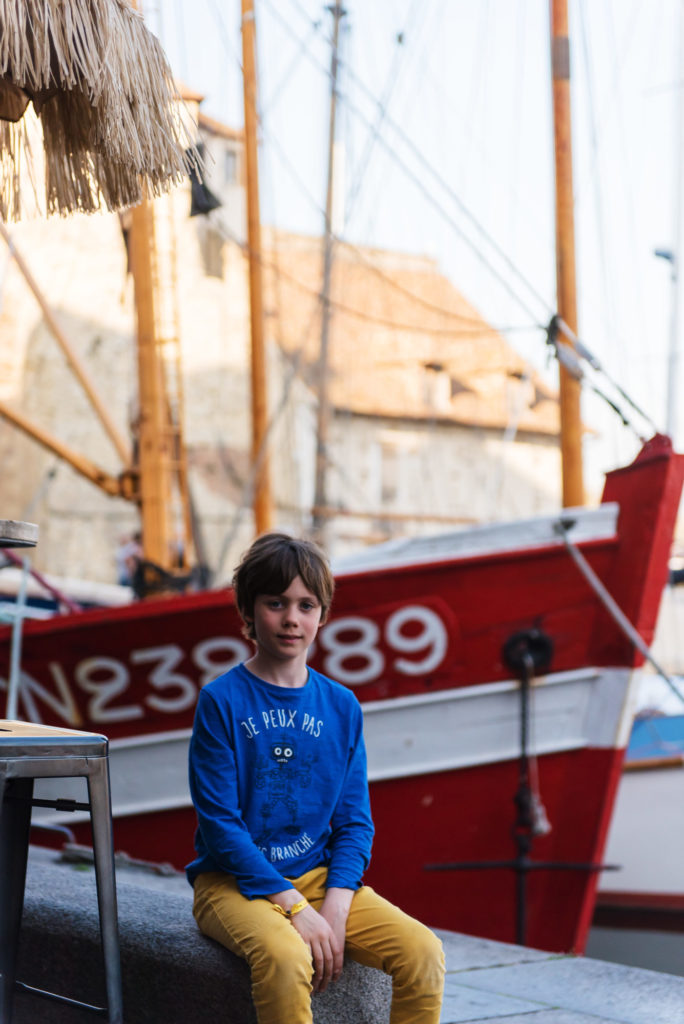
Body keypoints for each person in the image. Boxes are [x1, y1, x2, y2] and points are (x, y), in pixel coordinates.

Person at [186, 532, 445, 1024]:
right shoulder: (221, 702)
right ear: (248, 611)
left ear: (323, 615)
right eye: (275, 603)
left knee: (423, 953)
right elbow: (219, 825)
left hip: (319, 879)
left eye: (306, 605)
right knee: (286, 958)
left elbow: (354, 822)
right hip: (233, 885)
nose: (291, 619)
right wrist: (293, 907)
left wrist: (336, 908)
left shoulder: (341, 706)